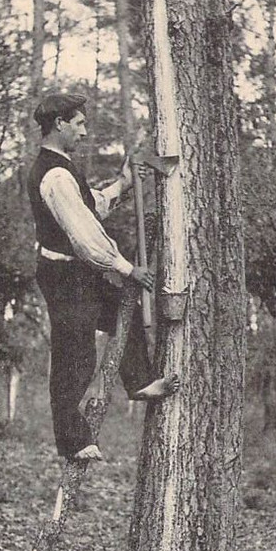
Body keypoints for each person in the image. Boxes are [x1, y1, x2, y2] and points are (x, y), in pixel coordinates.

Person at [28, 90, 178, 462]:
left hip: (72, 270)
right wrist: (127, 268)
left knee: (115, 311)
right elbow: (85, 235)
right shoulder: (55, 174)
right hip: (62, 273)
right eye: (78, 124)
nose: (83, 131)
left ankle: (140, 382)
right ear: (59, 124)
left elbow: (89, 204)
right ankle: (74, 442)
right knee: (74, 354)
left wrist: (124, 183)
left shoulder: (61, 167)